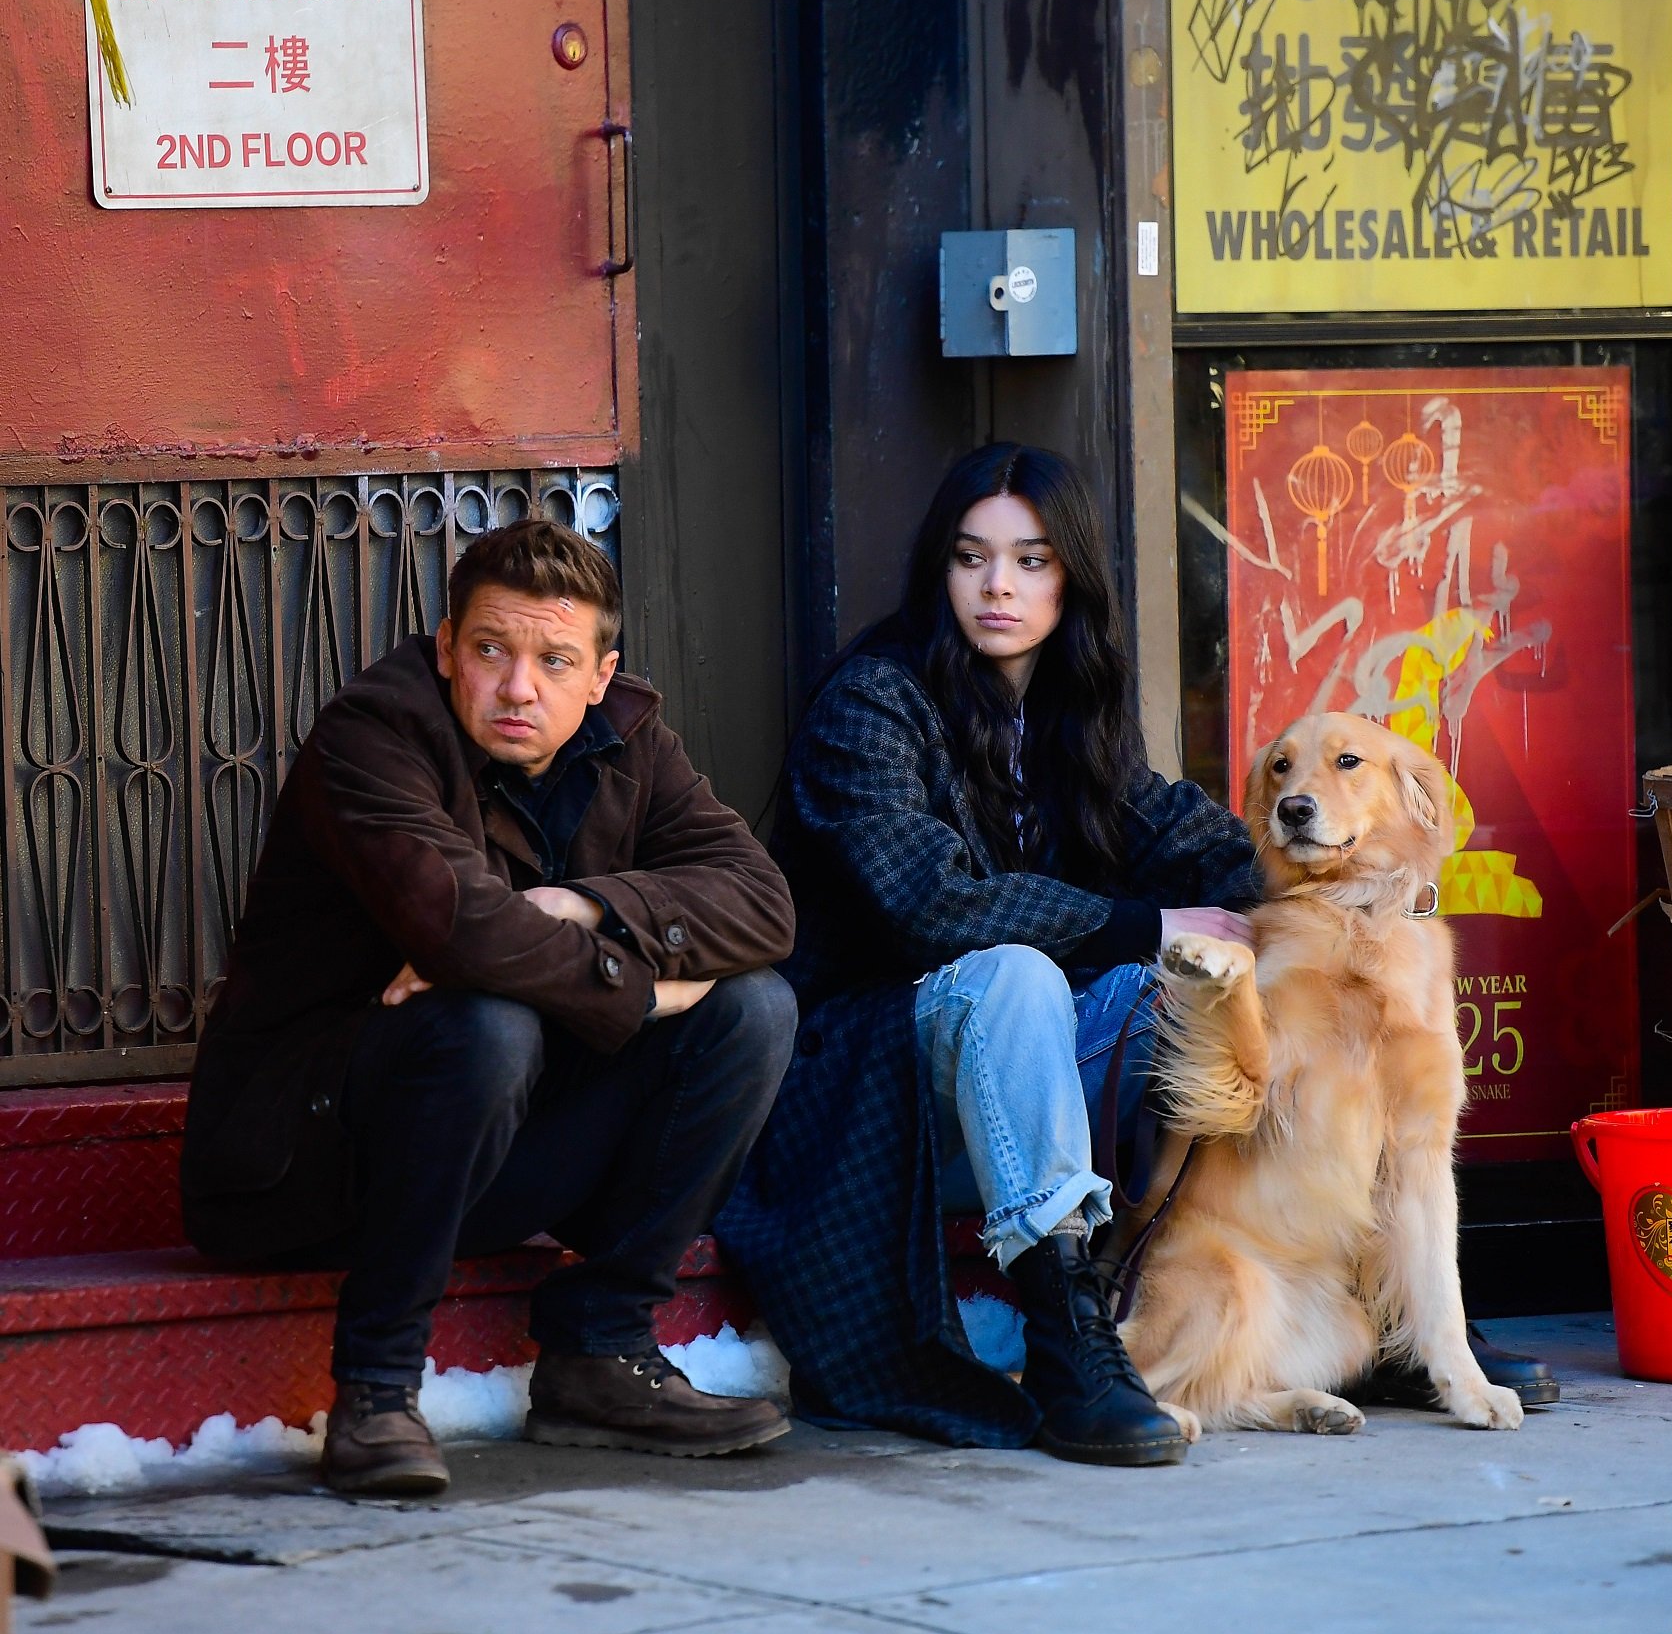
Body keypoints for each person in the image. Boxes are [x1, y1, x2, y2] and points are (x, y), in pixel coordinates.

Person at [182, 519, 799, 1497]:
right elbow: (461, 931)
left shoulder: (630, 738)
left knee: (751, 1010)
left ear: (598, 674)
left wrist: (585, 902)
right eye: (489, 651)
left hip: (491, 1156)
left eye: (554, 660)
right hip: (300, 1166)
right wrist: (641, 986)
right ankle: (377, 1389)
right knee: (482, 1022)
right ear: (444, 649)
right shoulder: (374, 734)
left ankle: (599, 1349)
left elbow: (763, 904)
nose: (519, 686)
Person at [720, 444, 1261, 1466]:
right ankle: (1068, 1332)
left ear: (1073, 578)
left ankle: (1374, 1302)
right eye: (972, 558)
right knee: (1017, 969)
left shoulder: (1066, 721)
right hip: (868, 1091)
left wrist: (1333, 899)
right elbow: (930, 906)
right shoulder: (871, 705)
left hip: (1014, 1103)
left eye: (1029, 559)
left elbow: (1200, 845)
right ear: (941, 569)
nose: (997, 586)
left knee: (1229, 982)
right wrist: (1149, 924)